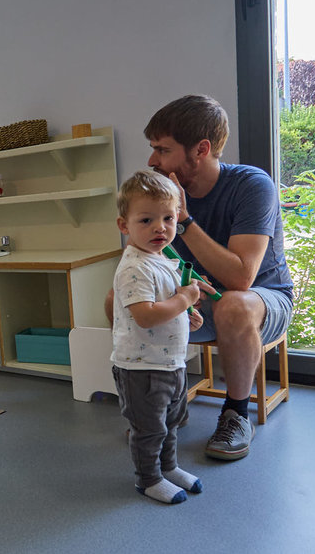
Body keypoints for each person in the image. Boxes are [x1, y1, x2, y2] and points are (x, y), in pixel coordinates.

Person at [107, 95, 294, 461]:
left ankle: (236, 414)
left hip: (263, 300)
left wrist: (186, 220)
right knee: (119, 300)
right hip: (197, 298)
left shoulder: (252, 185)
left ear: (201, 149)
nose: (152, 160)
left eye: (162, 149)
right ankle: (159, 405)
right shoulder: (162, 195)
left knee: (235, 306)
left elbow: (242, 278)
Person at [111, 170, 213, 504]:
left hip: (170, 362)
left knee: (172, 423)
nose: (160, 227)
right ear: (124, 226)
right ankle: (148, 479)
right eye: (146, 220)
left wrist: (186, 315)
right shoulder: (133, 268)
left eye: (168, 218)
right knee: (149, 429)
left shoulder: (163, 259)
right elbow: (145, 315)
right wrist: (184, 300)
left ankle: (168, 468)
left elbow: (167, 304)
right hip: (141, 368)